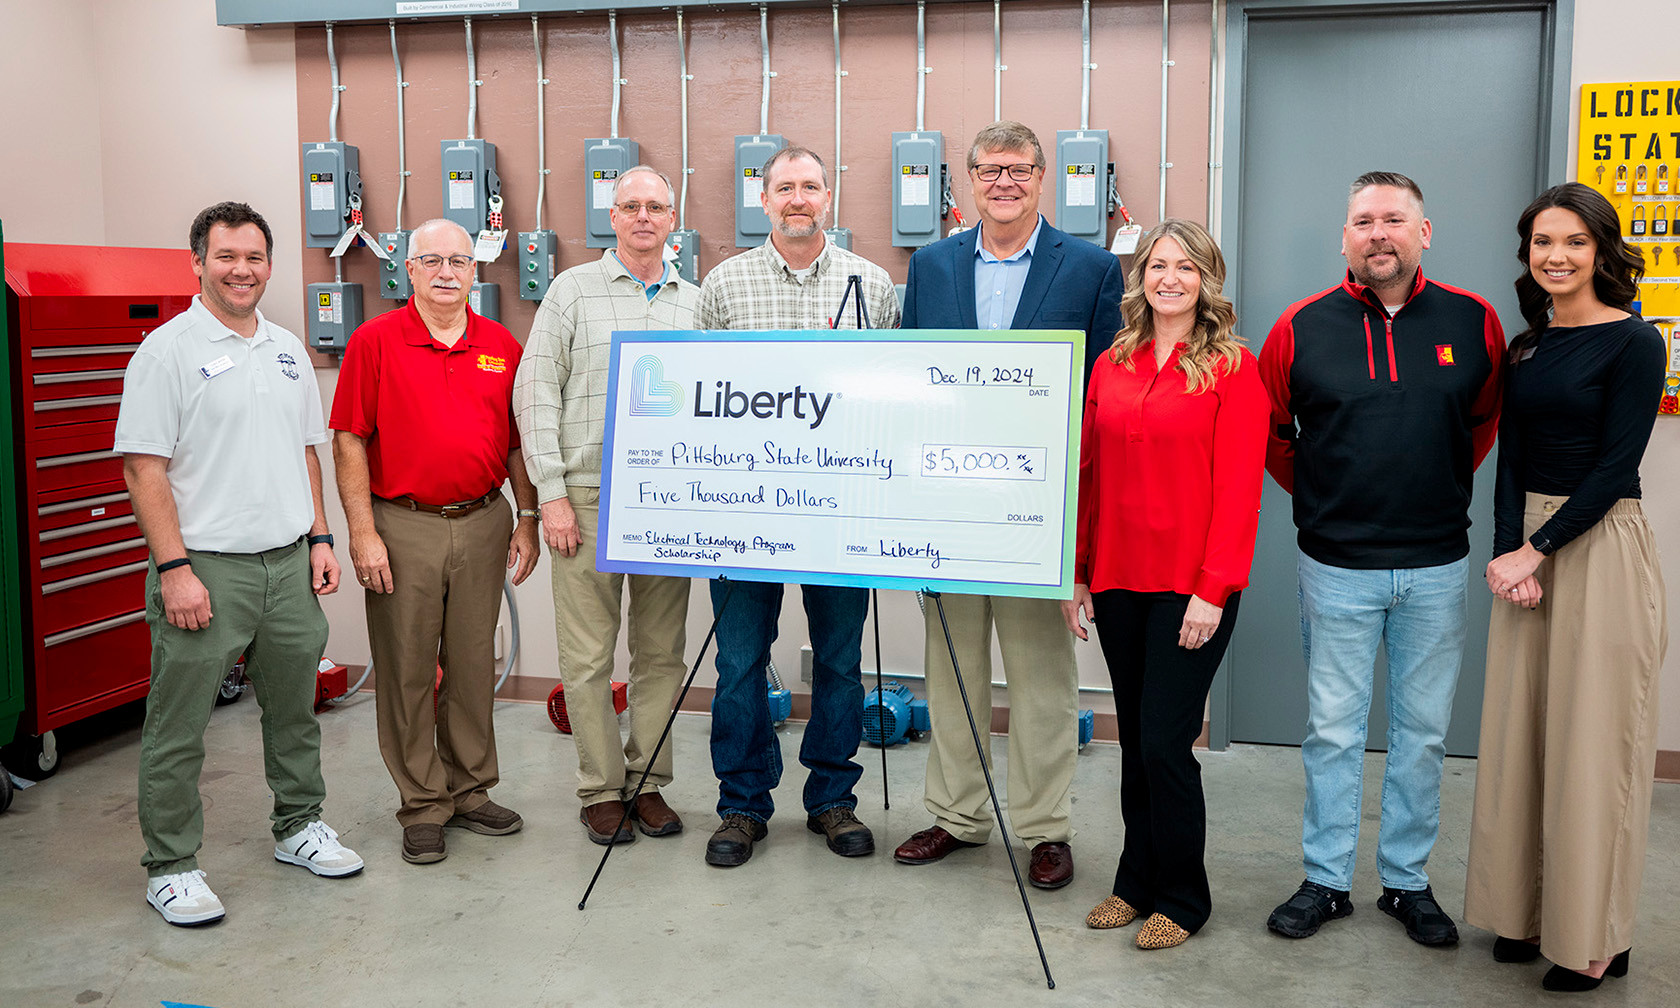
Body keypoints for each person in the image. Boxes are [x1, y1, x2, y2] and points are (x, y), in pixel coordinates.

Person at [1259, 171, 1505, 946]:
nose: (1378, 234)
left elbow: (1483, 422)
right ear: (1345, 237)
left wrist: (1428, 485)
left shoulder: (1475, 321)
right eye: (1363, 221)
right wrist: (1328, 498)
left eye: (1394, 219)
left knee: (1424, 733)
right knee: (1332, 730)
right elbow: (1271, 434)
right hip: (1336, 567)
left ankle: (1406, 882)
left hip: (1436, 565)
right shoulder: (1300, 326)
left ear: (1423, 232)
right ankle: (1327, 880)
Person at [892, 120, 1125, 890]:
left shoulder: (1090, 269)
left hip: (1037, 508)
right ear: (966, 180)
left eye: (1019, 169)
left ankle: (1045, 828)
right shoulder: (930, 266)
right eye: (989, 169)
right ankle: (956, 817)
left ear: (1041, 177)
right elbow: (908, 377)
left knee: (1041, 678)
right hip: (948, 507)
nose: (1003, 182)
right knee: (952, 668)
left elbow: (1103, 394)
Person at [117, 201, 362, 926]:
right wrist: (174, 569)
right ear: (197, 263)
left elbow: (306, 452)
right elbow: (143, 469)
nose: (241, 270)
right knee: (178, 725)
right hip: (206, 569)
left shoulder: (286, 349)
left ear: (270, 265)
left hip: (287, 565)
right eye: (226, 256)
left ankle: (298, 827)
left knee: (294, 712)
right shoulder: (166, 350)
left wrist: (319, 538)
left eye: (254, 257)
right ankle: (170, 865)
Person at [1463, 182, 1667, 993]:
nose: (1556, 255)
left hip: (1599, 543)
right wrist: (1508, 549)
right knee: (1523, 741)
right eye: (1543, 241)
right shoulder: (1528, 347)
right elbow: (1510, 456)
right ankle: (1527, 912)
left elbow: (1618, 467)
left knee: (1593, 749)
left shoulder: (1635, 342)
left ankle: (1597, 937)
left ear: (1602, 252)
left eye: (1575, 242)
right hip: (1530, 556)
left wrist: (1539, 548)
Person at [1062, 219, 1267, 949]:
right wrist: (1076, 575)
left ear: (1207, 279)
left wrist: (1214, 591)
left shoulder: (1234, 369)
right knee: (1135, 738)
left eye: (1185, 266)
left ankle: (1183, 897)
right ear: (1140, 278)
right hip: (1118, 578)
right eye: (1157, 265)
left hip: (1192, 589)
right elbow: (1087, 477)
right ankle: (1134, 880)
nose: (1169, 278)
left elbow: (1242, 489)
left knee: (1165, 744)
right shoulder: (1112, 364)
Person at [696, 144, 901, 867]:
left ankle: (832, 800)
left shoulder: (872, 286)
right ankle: (743, 805)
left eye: (810, 186)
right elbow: (701, 403)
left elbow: (892, 396)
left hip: (842, 512)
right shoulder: (723, 286)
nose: (798, 199)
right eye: (784, 187)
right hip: (746, 513)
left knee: (840, 664)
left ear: (828, 195)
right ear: (764, 200)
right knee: (741, 661)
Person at [330, 218, 540, 865]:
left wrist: (526, 516)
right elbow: (348, 440)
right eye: (432, 260)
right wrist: (362, 533)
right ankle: (423, 802)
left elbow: (514, 442)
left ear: (474, 270)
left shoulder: (501, 344)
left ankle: (470, 789)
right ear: (409, 270)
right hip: (403, 524)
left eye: (458, 260)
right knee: (408, 668)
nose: (447, 272)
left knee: (474, 663)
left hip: (483, 521)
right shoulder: (375, 342)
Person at [514, 166, 697, 846]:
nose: (644, 217)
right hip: (587, 499)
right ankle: (600, 790)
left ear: (671, 218)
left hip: (669, 504)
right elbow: (534, 395)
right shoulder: (571, 291)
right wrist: (551, 496)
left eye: (656, 206)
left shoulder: (695, 303)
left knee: (660, 655)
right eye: (631, 206)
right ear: (611, 217)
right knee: (588, 657)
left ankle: (647, 783)